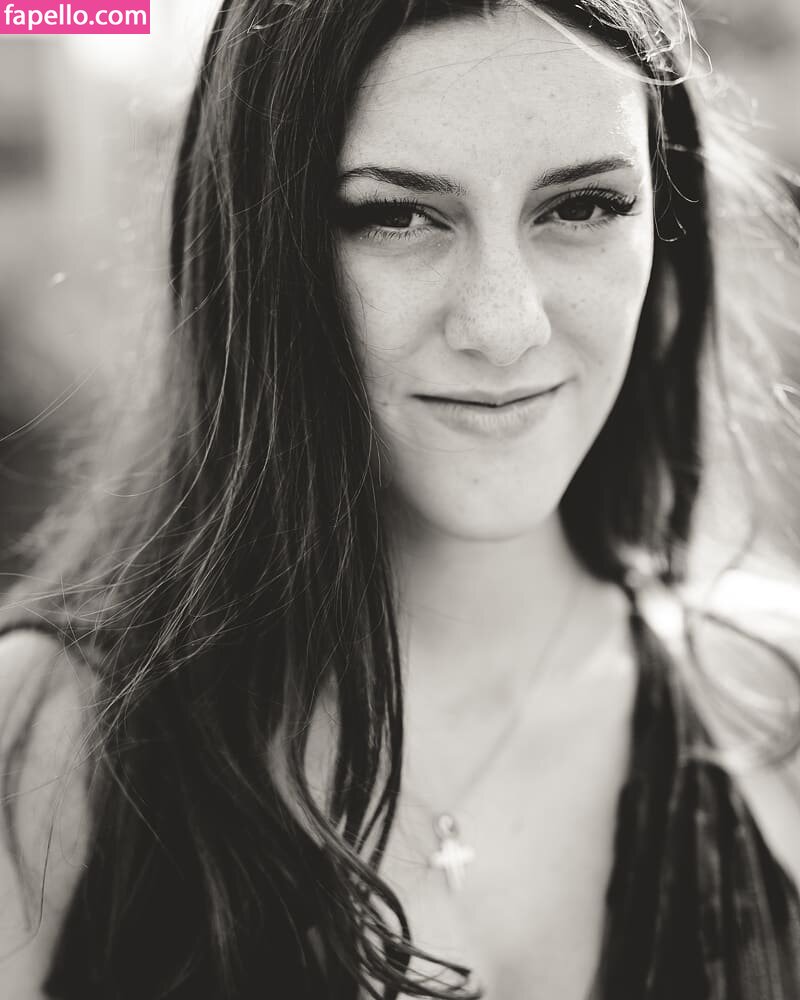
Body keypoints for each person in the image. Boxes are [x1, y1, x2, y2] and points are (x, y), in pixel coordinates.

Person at [2, 0, 800, 997]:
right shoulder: (43, 748)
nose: (503, 326)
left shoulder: (776, 702)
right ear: (261, 249)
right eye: (394, 215)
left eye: (583, 206)